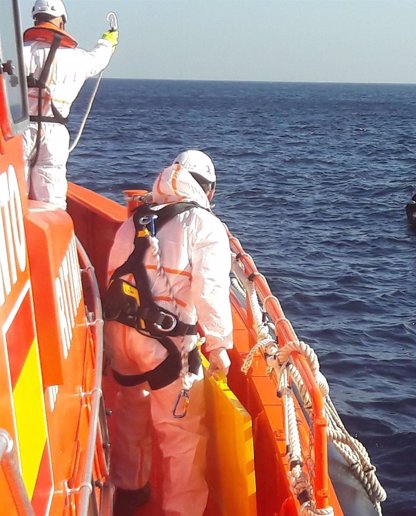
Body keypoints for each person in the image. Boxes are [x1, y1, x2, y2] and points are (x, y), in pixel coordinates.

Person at [103, 150, 233, 516]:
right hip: (166, 345)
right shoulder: (205, 225)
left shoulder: (136, 220)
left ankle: (130, 490)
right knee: (181, 437)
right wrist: (220, 344)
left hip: (122, 336)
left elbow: (113, 274)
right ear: (208, 191)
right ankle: (180, 511)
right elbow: (209, 290)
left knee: (130, 413)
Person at [23, 0, 117, 209]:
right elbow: (98, 59)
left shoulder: (17, 53)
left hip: (19, 130)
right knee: (52, 201)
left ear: (36, 19)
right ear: (62, 22)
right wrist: (108, 41)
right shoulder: (76, 59)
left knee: (12, 195)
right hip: (55, 136)